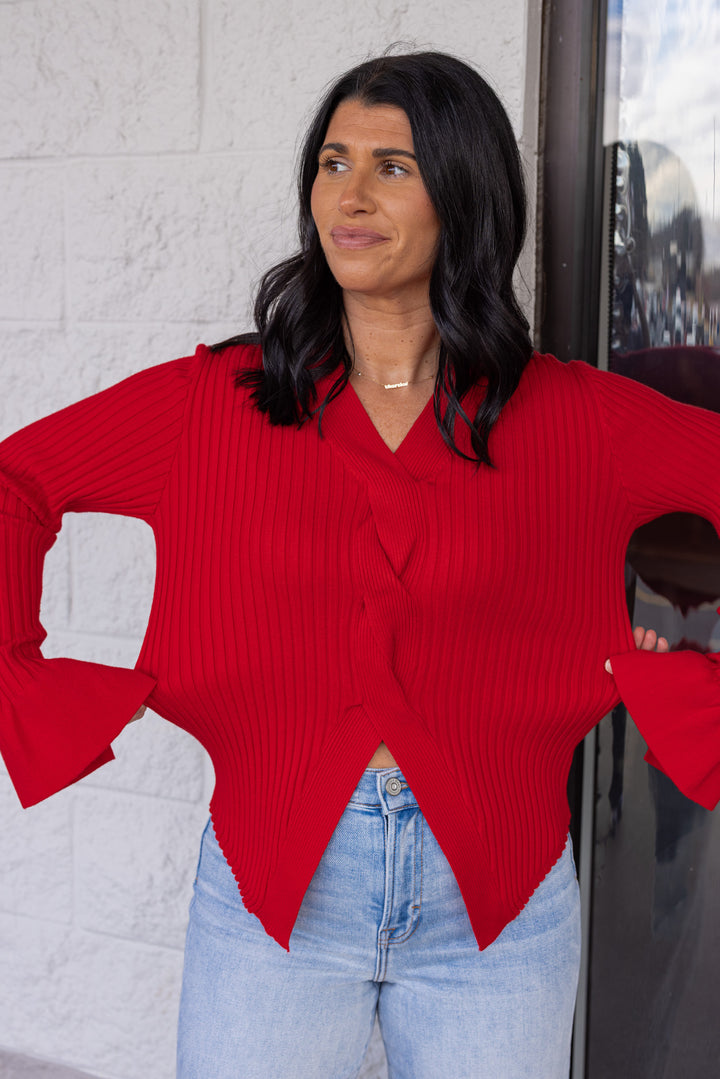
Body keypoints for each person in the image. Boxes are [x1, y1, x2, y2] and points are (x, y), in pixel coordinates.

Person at [1, 49, 719, 1079]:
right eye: (334, 160)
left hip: (502, 904)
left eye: (392, 166)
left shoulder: (575, 417)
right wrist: (19, 676)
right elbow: (14, 483)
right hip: (274, 895)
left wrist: (686, 672)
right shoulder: (214, 403)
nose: (349, 190)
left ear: (464, 196)